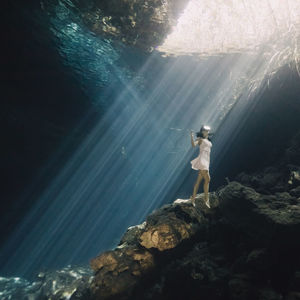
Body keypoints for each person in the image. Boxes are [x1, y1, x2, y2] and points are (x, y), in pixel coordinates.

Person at [190, 125, 212, 208]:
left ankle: (193, 199)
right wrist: (191, 137)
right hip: (202, 160)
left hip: (207, 161)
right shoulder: (200, 139)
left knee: (199, 181)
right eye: (205, 130)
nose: (207, 132)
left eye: (208, 131)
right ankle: (206, 199)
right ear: (202, 131)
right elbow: (193, 145)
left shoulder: (207, 140)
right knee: (208, 179)